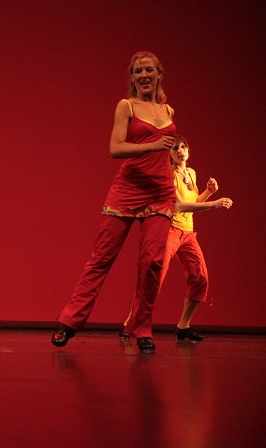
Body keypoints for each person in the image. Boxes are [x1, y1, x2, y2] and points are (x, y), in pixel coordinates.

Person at [52, 51, 178, 353]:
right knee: (102, 257)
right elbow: (115, 148)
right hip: (128, 189)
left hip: (161, 192)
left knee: (153, 262)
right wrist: (153, 145)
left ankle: (142, 328)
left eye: (149, 70)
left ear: (159, 74)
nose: (144, 75)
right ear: (132, 77)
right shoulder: (126, 106)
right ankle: (70, 321)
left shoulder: (168, 110)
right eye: (138, 71)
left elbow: (166, 152)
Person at [120, 135, 233, 342]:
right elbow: (180, 206)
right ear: (169, 154)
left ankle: (183, 326)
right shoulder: (169, 176)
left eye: (183, 147)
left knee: (200, 278)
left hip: (188, 234)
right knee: (154, 279)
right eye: (174, 148)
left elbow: (193, 202)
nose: (180, 151)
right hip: (170, 231)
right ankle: (130, 323)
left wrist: (208, 192)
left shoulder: (191, 173)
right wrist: (214, 204)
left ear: (188, 150)